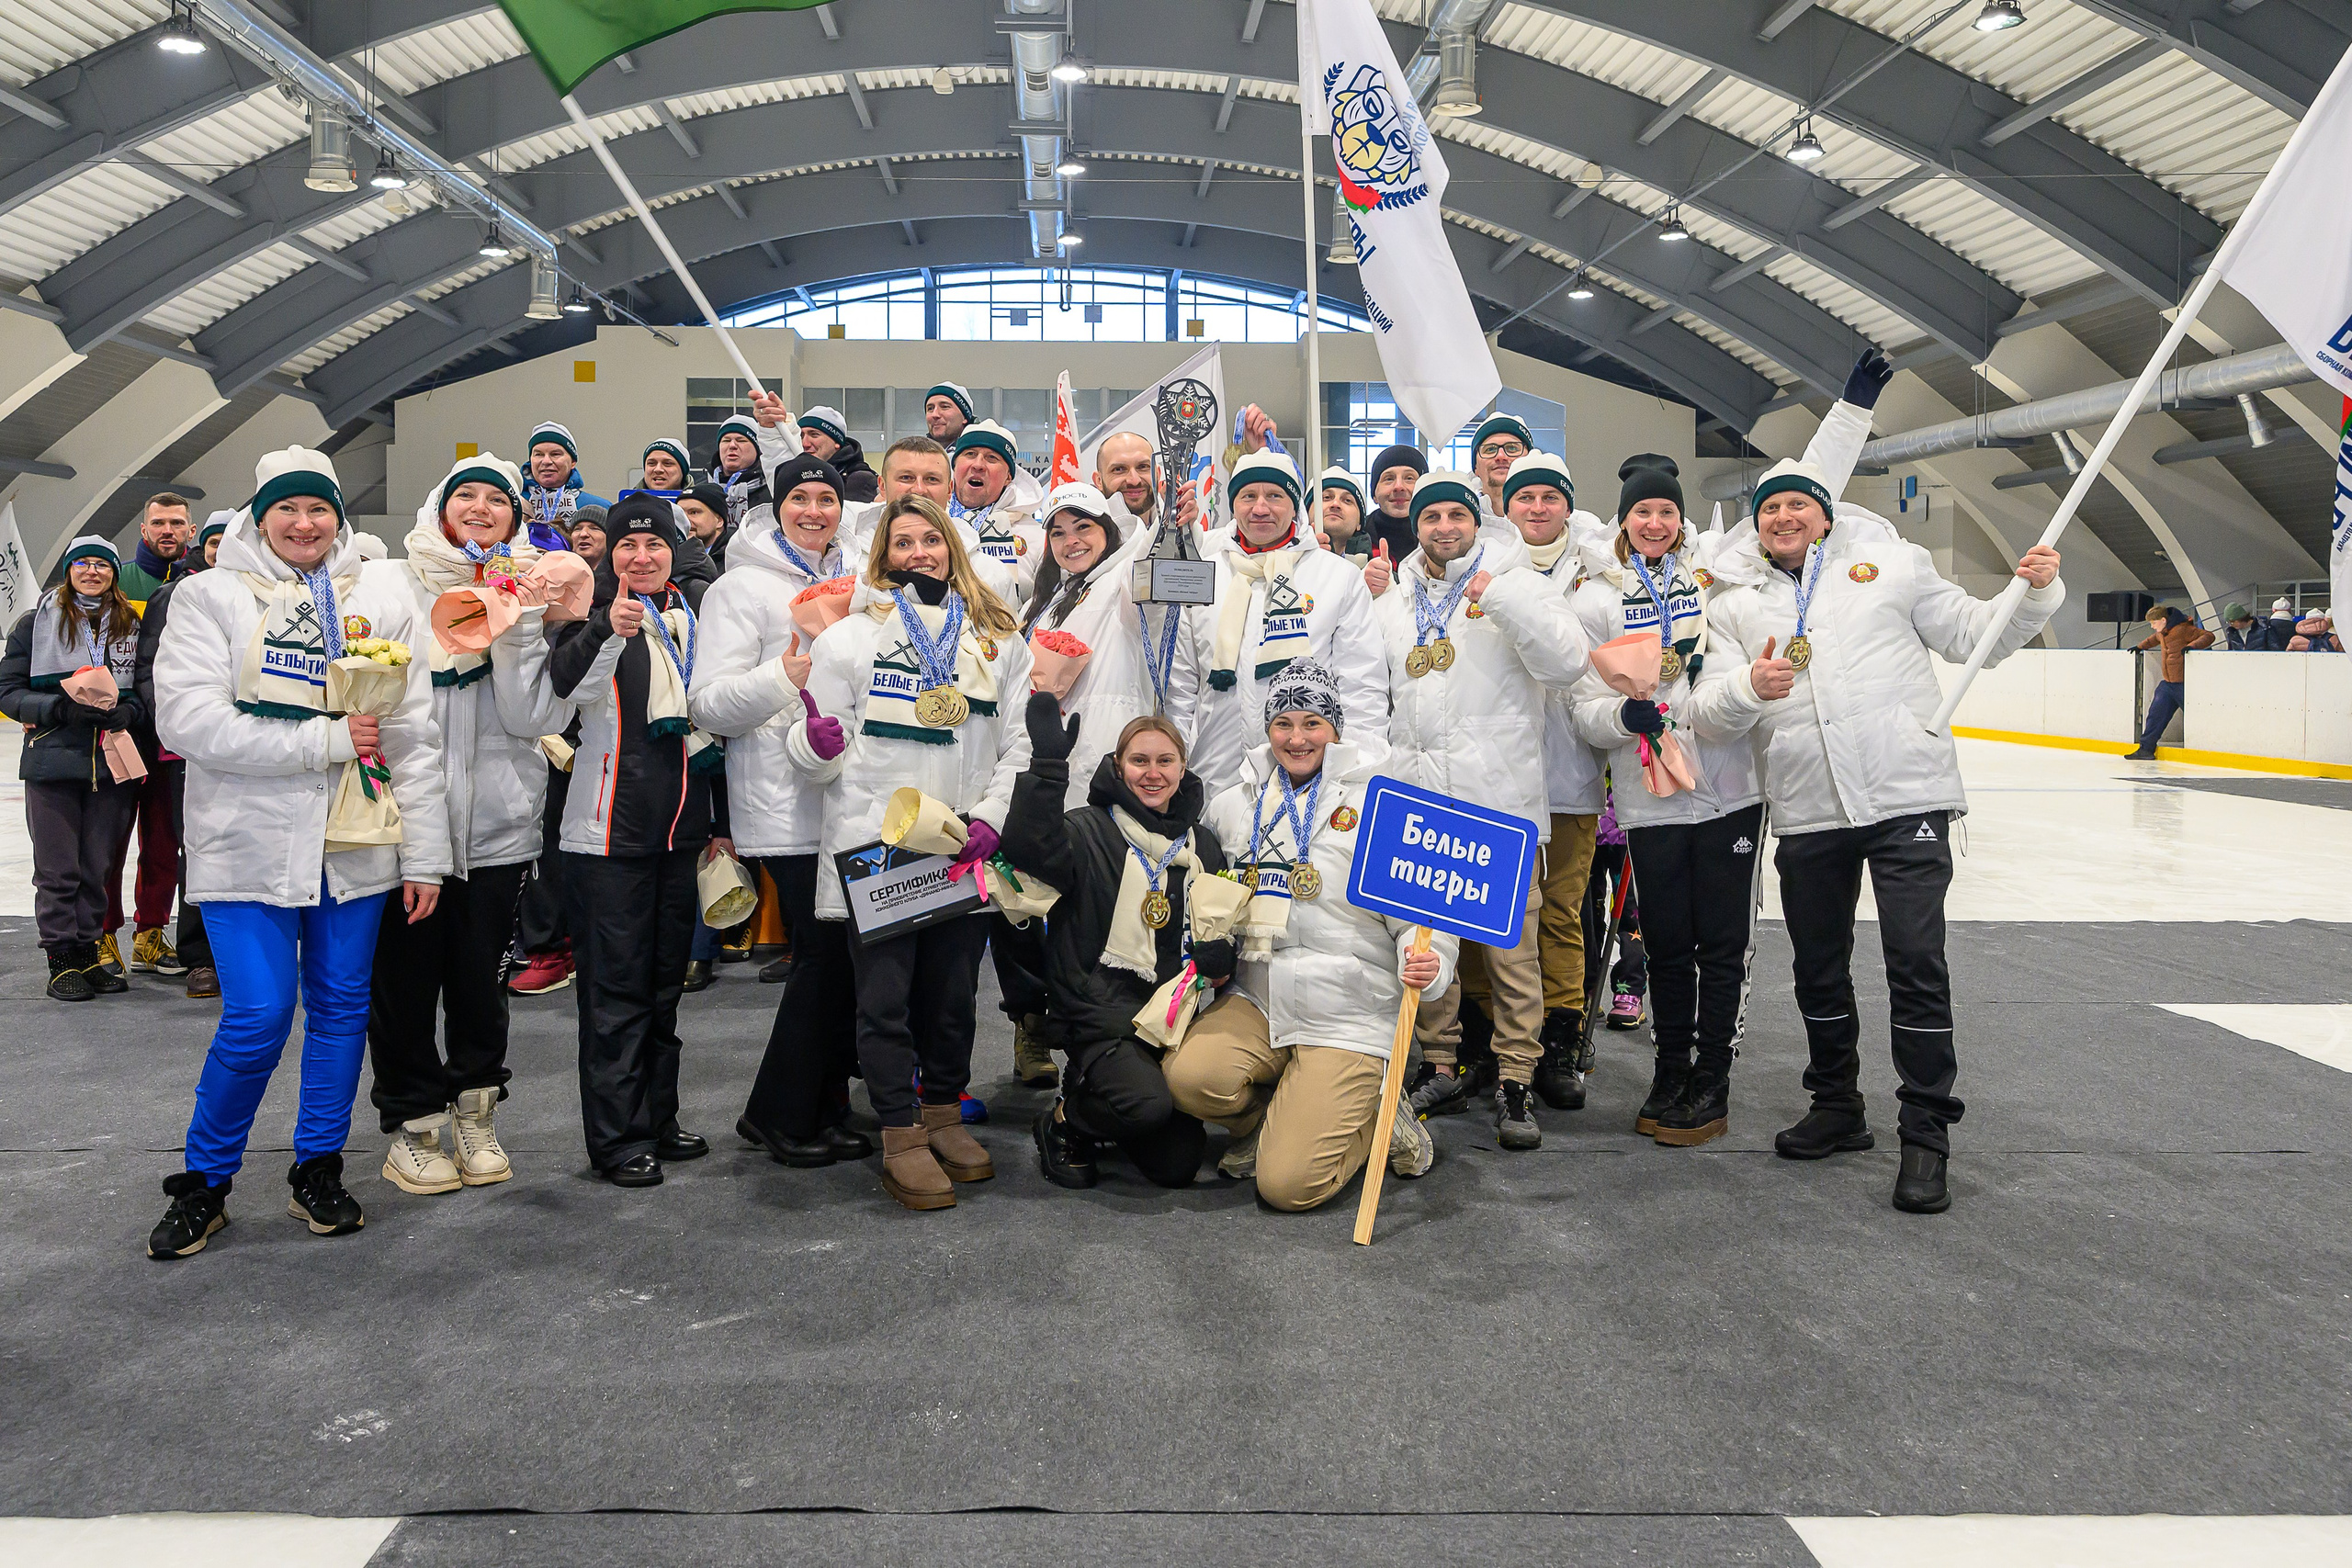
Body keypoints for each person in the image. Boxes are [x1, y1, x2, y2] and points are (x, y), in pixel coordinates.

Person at [1686, 457, 2064, 1214]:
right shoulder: (1733, 605)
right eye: (1770, 508)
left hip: (1906, 793)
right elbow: (1704, 712)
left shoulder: (1894, 565)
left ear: (1824, 514)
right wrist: (1744, 689)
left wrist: (2034, 591)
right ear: (1757, 523)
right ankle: (1837, 1104)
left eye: (1798, 504)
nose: (1784, 517)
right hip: (1807, 805)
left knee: (1916, 962)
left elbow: (1972, 637)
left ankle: (1926, 1132)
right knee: (1818, 967)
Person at [145, 446, 451, 1258]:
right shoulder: (209, 597)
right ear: (260, 515)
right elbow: (186, 721)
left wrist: (423, 854)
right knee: (257, 1014)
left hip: (355, 847)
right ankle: (205, 1182)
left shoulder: (379, 595)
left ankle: (317, 1167)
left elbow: (415, 735)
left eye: (319, 509)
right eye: (289, 509)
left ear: (339, 517)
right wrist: (323, 742)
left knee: (343, 1010)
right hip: (247, 844)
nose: (305, 524)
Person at [785, 495, 1031, 1212]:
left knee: (952, 999)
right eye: (904, 543)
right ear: (884, 556)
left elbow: (1018, 743)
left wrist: (991, 816)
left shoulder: (997, 637)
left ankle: (944, 1114)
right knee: (885, 1002)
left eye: (931, 539)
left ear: (951, 546)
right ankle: (900, 1132)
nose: (919, 552)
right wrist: (814, 745)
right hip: (880, 851)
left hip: (957, 846)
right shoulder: (849, 640)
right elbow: (813, 751)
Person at [363, 454, 572, 1195]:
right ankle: (413, 1123)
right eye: (467, 496)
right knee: (405, 982)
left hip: (498, 823)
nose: (482, 508)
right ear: (441, 506)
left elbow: (533, 716)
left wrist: (517, 622)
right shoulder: (393, 581)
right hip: (405, 823)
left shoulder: (531, 585)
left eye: (498, 500)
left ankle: (476, 1110)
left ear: (517, 516)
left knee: (482, 983)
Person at [1172, 659, 1451, 1211]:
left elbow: (1423, 914)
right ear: (1267, 730)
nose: (1296, 738)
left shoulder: (1381, 802)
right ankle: (1273, 1120)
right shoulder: (1234, 807)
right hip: (1262, 997)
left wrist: (1431, 959)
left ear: (1335, 729)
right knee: (1190, 1078)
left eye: (1312, 723)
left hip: (1348, 1005)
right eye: (1283, 724)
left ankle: (1378, 1114)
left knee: (1287, 1187)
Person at [1366, 471, 1589, 1150]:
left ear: (1477, 521)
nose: (1443, 527)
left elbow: (1568, 662)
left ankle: (1516, 1079)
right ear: (1418, 526)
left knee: (1511, 951)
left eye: (1455, 517)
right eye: (1431, 517)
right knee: (1427, 944)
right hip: (1419, 798)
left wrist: (1508, 598)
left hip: (1497, 801)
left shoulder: (1518, 579)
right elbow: (1376, 695)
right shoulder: (1395, 598)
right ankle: (1440, 1062)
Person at [689, 449, 876, 1168]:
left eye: (826, 500)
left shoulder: (854, 579)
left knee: (842, 963)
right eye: (800, 499)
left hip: (849, 797)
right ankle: (778, 1113)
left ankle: (819, 1104)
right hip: (784, 803)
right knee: (822, 960)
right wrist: (782, 675)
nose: (814, 511)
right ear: (776, 506)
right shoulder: (741, 588)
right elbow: (709, 703)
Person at [548, 495, 722, 1187]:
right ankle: (616, 1139)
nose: (641, 557)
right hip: (605, 839)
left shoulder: (684, 616)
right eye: (627, 546)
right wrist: (608, 632)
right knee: (614, 995)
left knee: (661, 990)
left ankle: (656, 1115)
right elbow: (564, 692)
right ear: (607, 554)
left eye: (654, 546)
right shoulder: (584, 621)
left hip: (678, 833)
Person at [1004, 700, 1238, 1189]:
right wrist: (1047, 769)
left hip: (1169, 1022)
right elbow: (1030, 849)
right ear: (1118, 766)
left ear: (1182, 768)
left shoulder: (1203, 845)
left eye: (1165, 761)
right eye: (1139, 761)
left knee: (1177, 1165)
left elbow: (1220, 932)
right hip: (1100, 1016)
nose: (1152, 774)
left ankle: (1116, 1104)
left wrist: (1222, 959)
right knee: (1146, 1106)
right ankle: (1066, 1121)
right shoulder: (1086, 829)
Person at [1488, 451, 1606, 1112]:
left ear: (1567, 504)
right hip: (1502, 774)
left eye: (1549, 498)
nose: (1537, 508)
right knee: (1497, 916)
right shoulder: (1487, 568)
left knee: (1560, 914)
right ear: (1508, 506)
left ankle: (1562, 1040)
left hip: (1568, 771)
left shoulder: (1597, 572)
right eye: (1524, 497)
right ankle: (1495, 1041)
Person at [1169, 451, 1386, 798]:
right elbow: (1180, 686)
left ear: (1295, 504)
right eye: (1248, 496)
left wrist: (1353, 770)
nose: (1260, 508)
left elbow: (1362, 686)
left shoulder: (1337, 576)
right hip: (1215, 773)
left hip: (1312, 773)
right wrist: (1173, 760)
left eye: (1274, 496)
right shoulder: (1204, 574)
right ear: (1233, 504)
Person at [2, 536, 146, 1002]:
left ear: (113, 574)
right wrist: (57, 710)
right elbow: (6, 691)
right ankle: (60, 957)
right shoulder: (34, 623)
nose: (92, 571)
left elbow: (146, 687)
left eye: (102, 565)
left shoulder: (128, 621)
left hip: (110, 762)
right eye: (82, 563)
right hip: (53, 761)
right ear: (68, 570)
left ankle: (88, 953)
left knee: (97, 865)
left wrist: (133, 712)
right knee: (58, 868)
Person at [132, 514, 229, 1001]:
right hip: (185, 750)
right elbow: (149, 671)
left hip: (253, 743)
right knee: (197, 849)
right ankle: (201, 957)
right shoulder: (174, 595)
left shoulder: (270, 593)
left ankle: (246, 953)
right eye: (214, 542)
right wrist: (177, 723)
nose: (220, 550)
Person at [947, 421, 1045, 611]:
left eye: (992, 458)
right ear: (955, 467)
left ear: (1009, 477)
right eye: (970, 454)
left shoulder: (1035, 536)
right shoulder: (929, 520)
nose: (978, 465)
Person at [2125, 605, 2214, 759]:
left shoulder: (2183, 629)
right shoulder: (2162, 633)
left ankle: (2212, 747)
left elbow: (2208, 636)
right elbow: (2153, 639)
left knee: (2197, 717)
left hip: (2184, 684)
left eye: (2153, 623)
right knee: (2155, 715)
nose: (2152, 627)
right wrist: (2140, 647)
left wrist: (2192, 646)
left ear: (2163, 620)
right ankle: (2146, 749)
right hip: (2168, 684)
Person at [522, 422, 611, 551]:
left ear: (573, 462)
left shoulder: (599, 507)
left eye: (555, 454)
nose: (546, 461)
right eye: (538, 454)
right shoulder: (514, 505)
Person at [115, 491, 196, 605]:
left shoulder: (208, 579)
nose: (167, 531)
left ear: (191, 532)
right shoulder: (116, 579)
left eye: (177, 523)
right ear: (144, 531)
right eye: (157, 523)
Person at [797, 405, 879, 502]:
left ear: (837, 442)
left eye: (814, 435)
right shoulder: (795, 474)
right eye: (801, 436)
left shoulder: (859, 481)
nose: (805, 444)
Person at [1362, 444, 1426, 561]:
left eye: (1409, 478)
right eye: (1389, 479)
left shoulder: (1442, 536)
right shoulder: (1353, 539)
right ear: (1374, 495)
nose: (1399, 487)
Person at [1468, 413, 1532, 517]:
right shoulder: (1460, 518)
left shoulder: (1558, 521)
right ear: (1476, 467)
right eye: (1490, 449)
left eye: (1512, 448)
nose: (1501, 456)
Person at [707, 412, 764, 529]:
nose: (732, 445)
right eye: (726, 440)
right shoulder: (703, 488)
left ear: (758, 449)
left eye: (741, 440)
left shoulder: (771, 491)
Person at [680, 481, 735, 573]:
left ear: (719, 521)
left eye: (694, 512)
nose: (685, 520)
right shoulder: (671, 555)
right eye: (680, 513)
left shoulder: (736, 558)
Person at [1317, 468, 1371, 557]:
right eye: (1326, 497)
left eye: (1347, 500)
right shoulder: (1288, 563)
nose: (1335, 504)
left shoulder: (1377, 567)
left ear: (1359, 523)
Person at [924, 381, 975, 446]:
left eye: (945, 407)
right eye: (930, 409)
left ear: (964, 417)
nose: (935, 414)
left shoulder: (981, 452)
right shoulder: (916, 453)